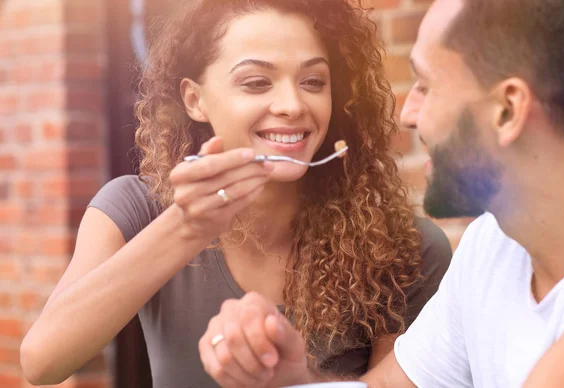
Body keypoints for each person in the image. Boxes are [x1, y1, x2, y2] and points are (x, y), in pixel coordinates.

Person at [19, 0, 452, 387]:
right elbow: (42, 362)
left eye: (314, 81)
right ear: (195, 100)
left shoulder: (404, 248)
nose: (292, 105)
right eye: (257, 83)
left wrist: (298, 380)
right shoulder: (134, 209)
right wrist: (186, 227)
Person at [200, 0, 564, 387]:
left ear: (507, 110)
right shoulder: (491, 246)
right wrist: (293, 379)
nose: (408, 114)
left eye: (426, 86)